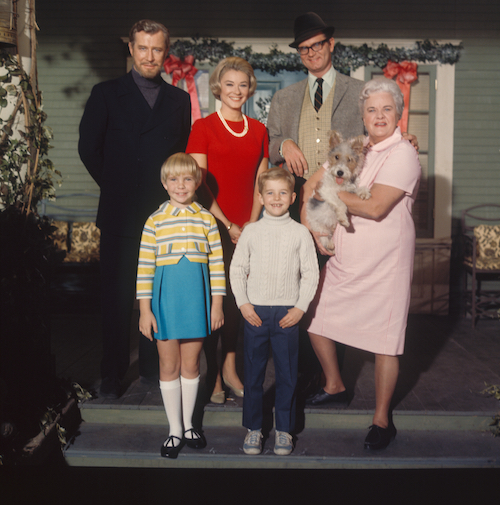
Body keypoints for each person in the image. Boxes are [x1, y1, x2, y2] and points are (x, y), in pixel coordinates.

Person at [301, 77, 421, 450]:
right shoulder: (356, 148)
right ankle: (334, 384)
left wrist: (328, 192)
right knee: (314, 315)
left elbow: (374, 206)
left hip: (386, 261)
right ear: (363, 116)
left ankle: (382, 418)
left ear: (399, 115)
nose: (379, 115)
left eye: (387, 109)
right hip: (344, 255)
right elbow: (310, 187)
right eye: (372, 110)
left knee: (386, 341)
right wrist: (313, 222)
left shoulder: (404, 153)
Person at [78, 20, 191, 399]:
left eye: (157, 49)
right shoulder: (106, 94)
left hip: (161, 217)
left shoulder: (178, 100)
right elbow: (88, 149)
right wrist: (116, 187)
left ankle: (150, 369)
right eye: (142, 48)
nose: (149, 56)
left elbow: (180, 156)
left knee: (156, 295)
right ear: (131, 48)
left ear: (166, 52)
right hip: (120, 214)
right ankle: (111, 373)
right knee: (117, 296)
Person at [187, 57, 269, 404]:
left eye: (243, 84)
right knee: (214, 302)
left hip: (249, 227)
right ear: (218, 88)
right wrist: (229, 225)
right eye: (230, 84)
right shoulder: (203, 128)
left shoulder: (260, 130)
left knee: (239, 302)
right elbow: (199, 184)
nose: (236, 91)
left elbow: (261, 182)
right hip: (212, 227)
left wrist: (249, 223)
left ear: (250, 89)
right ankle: (214, 375)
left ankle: (231, 368)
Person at [137, 153, 226, 458]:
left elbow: (216, 266)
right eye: (173, 179)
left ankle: (189, 425)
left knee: (191, 364)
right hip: (165, 301)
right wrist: (145, 311)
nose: (180, 185)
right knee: (168, 365)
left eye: (187, 178)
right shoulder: (154, 221)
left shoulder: (207, 220)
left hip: (196, 300)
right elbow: (145, 268)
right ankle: (174, 429)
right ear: (164, 184)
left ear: (197, 182)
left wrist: (216, 306)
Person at [230, 167, 319, 455]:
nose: (276, 198)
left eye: (283, 193)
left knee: (287, 374)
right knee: (253, 374)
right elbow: (237, 269)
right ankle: (254, 429)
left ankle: (284, 430)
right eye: (270, 193)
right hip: (255, 312)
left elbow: (311, 273)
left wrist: (300, 308)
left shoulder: (301, 233)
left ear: (293, 197)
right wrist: (243, 303)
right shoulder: (251, 231)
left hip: (286, 314)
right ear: (260, 196)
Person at [267, 12, 365, 222]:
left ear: (330, 43)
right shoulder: (283, 98)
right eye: (304, 48)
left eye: (317, 45)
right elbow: (269, 142)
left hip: (345, 191)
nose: (311, 53)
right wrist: (284, 144)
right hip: (296, 193)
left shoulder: (360, 91)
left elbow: (376, 134)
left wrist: (403, 138)